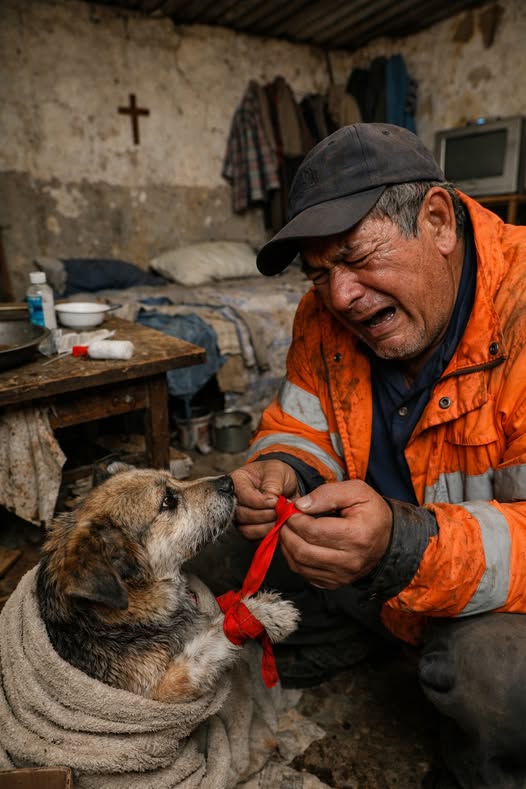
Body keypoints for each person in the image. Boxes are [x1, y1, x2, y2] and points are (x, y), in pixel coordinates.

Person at [222, 123, 526, 789]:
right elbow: (299, 425)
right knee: (218, 539)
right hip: (378, 578)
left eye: (358, 256)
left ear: (438, 221)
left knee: (497, 675)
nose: (340, 297)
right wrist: (283, 466)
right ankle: (370, 637)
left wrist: (402, 544)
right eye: (320, 273)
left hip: (491, 594)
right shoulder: (322, 315)